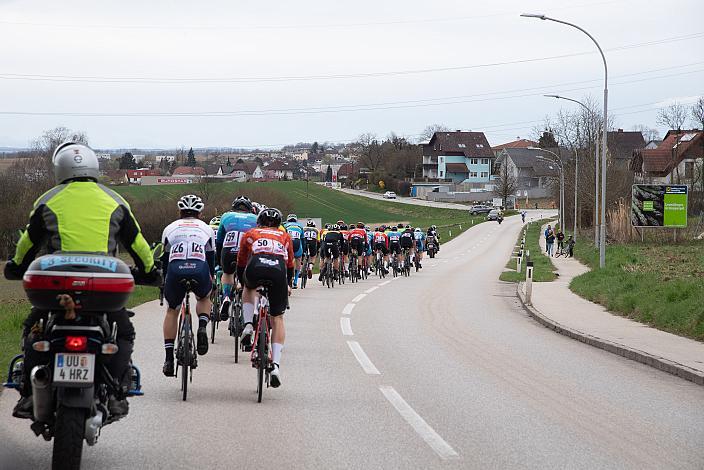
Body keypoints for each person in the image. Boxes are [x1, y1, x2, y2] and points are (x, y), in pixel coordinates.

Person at [4, 142, 158, 419]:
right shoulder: (115, 200)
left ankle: (29, 391)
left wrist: (16, 266)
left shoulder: (47, 200)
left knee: (34, 328)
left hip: (56, 282)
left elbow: (28, 243)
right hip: (103, 284)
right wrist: (149, 271)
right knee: (123, 332)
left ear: (59, 169)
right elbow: (138, 244)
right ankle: (116, 391)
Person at [236, 208, 293, 387]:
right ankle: (275, 365)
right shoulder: (285, 237)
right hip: (278, 271)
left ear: (259, 221)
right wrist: (288, 284)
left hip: (255, 268)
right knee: (277, 318)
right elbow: (290, 264)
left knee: (248, 287)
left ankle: (247, 325)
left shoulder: (251, 233)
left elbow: (241, 261)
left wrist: (241, 280)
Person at [161, 195, 216, 377]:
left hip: (176, 269)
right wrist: (212, 279)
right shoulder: (207, 229)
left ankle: (169, 359)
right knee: (204, 297)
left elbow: (165, 259)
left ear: (180, 212)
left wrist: (164, 281)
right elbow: (210, 258)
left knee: (172, 311)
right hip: (199, 267)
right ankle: (202, 326)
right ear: (199, 213)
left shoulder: (169, 228)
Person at [216, 196, 257, 320]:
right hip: (246, 250)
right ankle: (248, 311)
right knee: (247, 280)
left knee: (227, 273)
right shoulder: (256, 218)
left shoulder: (226, 216)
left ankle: (226, 297)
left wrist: (219, 260)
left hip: (228, 249)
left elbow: (219, 240)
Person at [283, 214, 306, 289]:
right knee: (298, 260)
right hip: (297, 243)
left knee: (286, 260)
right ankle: (295, 281)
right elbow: (303, 240)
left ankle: (286, 278)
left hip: (288, 243)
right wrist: (304, 251)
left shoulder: (284, 225)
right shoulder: (300, 226)